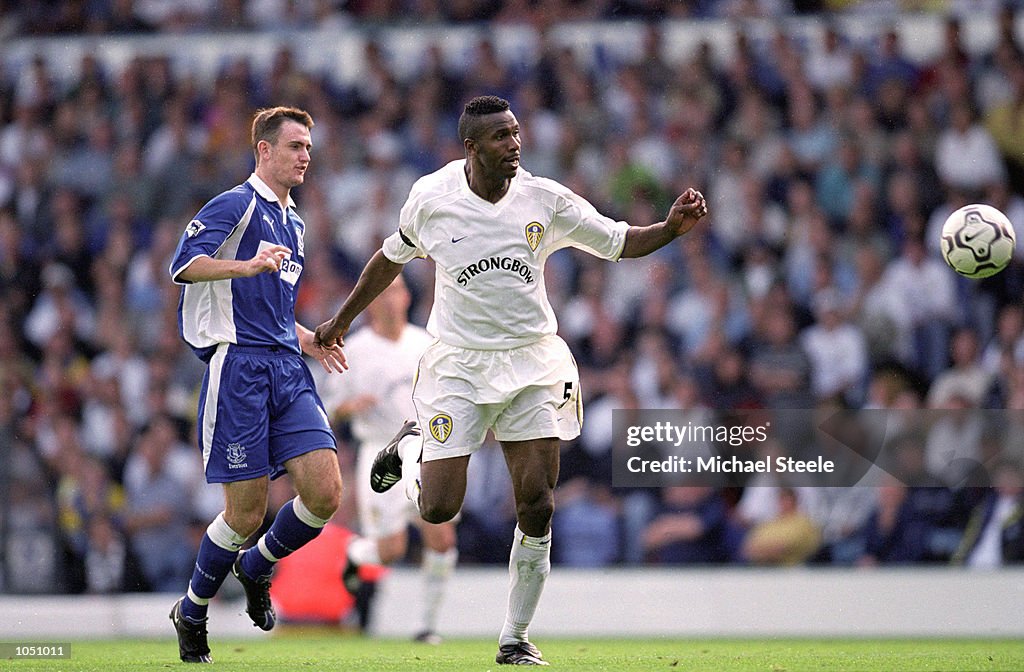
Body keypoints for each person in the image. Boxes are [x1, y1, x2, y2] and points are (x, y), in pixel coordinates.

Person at [315, 95, 707, 666]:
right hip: (459, 364)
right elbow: (389, 259)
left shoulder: (544, 198)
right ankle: (413, 444)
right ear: (471, 148)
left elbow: (618, 241)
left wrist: (670, 229)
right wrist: (341, 321)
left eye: (517, 132)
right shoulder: (432, 198)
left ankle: (515, 637)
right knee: (438, 510)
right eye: (501, 136)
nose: (515, 144)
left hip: (531, 365)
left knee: (537, 503)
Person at [167, 106, 346, 664]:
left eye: (308, 146)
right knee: (244, 513)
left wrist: (307, 339)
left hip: (287, 368)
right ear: (264, 150)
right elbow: (184, 264)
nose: (305, 155)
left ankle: (258, 564)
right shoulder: (235, 204)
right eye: (295, 145)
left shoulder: (295, 223)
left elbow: (274, 309)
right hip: (238, 370)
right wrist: (245, 265)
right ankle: (193, 609)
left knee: (325, 493)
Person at [317, 275, 458, 643]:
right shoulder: (355, 349)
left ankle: (428, 625)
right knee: (391, 550)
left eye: (396, 290)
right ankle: (355, 554)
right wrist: (350, 407)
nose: (391, 299)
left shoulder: (425, 344)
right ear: (371, 303)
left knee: (441, 537)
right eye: (383, 293)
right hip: (381, 451)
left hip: (426, 449)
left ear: (407, 297)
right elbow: (327, 408)